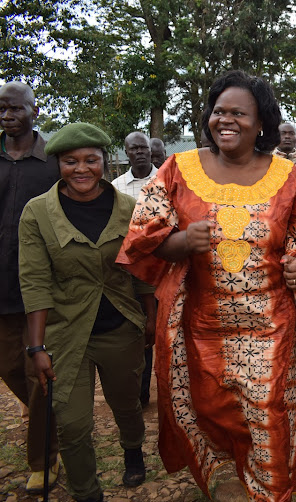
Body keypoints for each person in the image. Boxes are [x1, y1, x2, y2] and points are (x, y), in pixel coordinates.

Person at [116, 70, 296, 501]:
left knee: (266, 417)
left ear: (262, 123)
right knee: (213, 412)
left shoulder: (288, 176)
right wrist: (181, 241)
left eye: (238, 113)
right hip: (203, 328)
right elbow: (143, 239)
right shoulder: (178, 169)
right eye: (219, 112)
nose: (225, 120)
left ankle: (270, 490)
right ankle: (237, 474)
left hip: (270, 327)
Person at [20, 122, 154, 502]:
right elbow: (34, 281)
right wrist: (36, 346)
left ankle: (132, 450)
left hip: (121, 328)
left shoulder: (128, 207)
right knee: (72, 423)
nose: (81, 169)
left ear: (104, 163)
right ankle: (86, 492)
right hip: (65, 333)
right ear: (58, 164)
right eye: (70, 161)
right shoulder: (37, 214)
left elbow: (142, 270)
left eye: (90, 160)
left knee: (127, 404)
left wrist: (151, 319)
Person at [0, 80, 61, 493]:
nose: (7, 116)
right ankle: (50, 422)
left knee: (39, 372)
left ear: (34, 111)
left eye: (15, 109)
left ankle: (43, 461)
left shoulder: (54, 162)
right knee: (9, 368)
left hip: (42, 288)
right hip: (0, 283)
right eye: (2, 109)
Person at [112, 131, 160, 408]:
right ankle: (141, 394)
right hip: (134, 270)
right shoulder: (117, 186)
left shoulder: (166, 179)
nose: (140, 152)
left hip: (167, 264)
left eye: (143, 147)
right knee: (143, 329)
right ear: (127, 152)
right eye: (134, 148)